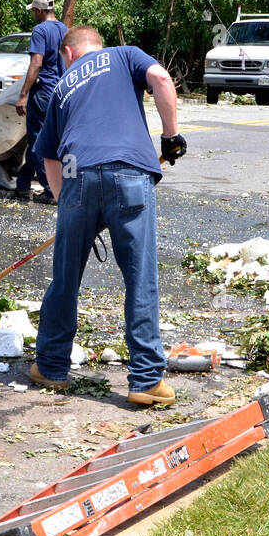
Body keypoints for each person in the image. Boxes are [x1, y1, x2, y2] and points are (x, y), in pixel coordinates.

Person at [28, 25, 188, 407]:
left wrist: (68, 204)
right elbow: (162, 79)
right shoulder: (125, 54)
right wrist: (171, 136)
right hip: (130, 173)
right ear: (98, 46)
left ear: (67, 54)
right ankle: (146, 380)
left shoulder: (62, 87)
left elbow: (48, 156)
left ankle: (50, 367)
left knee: (65, 278)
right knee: (139, 277)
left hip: (76, 174)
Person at [14, 0, 68, 202]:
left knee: (38, 142)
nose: (33, 16)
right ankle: (23, 185)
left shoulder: (39, 30)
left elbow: (36, 62)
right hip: (59, 92)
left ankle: (50, 190)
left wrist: (22, 95)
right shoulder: (64, 29)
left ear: (38, 11)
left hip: (43, 91)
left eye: (33, 12)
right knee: (44, 139)